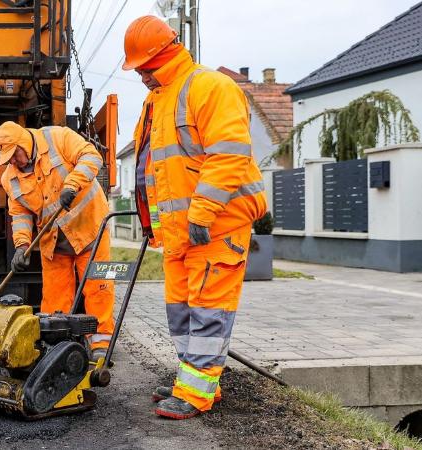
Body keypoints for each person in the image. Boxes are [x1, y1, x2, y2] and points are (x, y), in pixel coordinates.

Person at [121, 16, 268, 419]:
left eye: (144, 69)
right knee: (181, 310)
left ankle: (196, 393)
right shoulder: (157, 100)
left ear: (161, 57)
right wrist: (154, 226)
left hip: (216, 225)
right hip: (180, 231)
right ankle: (194, 382)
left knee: (208, 311)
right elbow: (154, 171)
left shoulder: (210, 87)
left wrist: (202, 214)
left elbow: (228, 155)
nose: (141, 77)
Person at [0, 121, 114, 361]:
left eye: (15, 155)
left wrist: (72, 184)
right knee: (54, 299)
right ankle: (57, 348)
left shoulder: (58, 137)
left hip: (91, 230)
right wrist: (21, 246)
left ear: (24, 143)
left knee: (98, 289)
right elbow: (20, 214)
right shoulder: (10, 178)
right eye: (7, 158)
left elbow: (92, 156)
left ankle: (101, 345)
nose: (13, 162)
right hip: (53, 242)